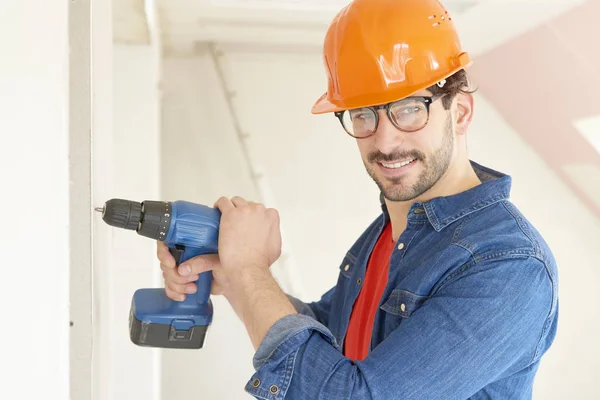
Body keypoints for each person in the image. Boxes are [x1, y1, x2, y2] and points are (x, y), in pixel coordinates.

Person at [157, 0, 559, 398]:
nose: (384, 141)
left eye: (408, 109)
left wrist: (250, 272)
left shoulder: (507, 265)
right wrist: (235, 279)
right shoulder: (392, 230)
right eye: (364, 114)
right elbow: (332, 342)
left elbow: (348, 394)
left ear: (461, 113)